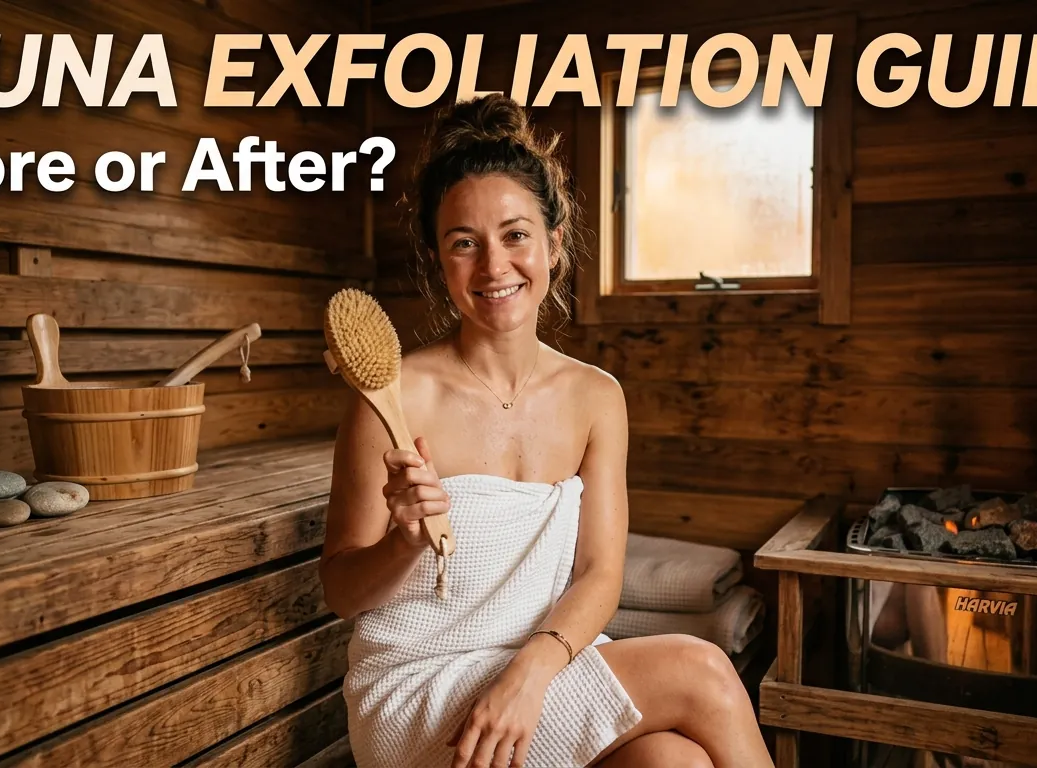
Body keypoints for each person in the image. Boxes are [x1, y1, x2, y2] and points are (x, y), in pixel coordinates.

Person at [319, 93, 774, 768]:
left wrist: (531, 674)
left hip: (537, 671)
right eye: (464, 243)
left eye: (515, 235)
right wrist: (404, 542)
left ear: (553, 244)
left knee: (673, 763)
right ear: (439, 261)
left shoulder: (596, 398)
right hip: (419, 688)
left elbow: (599, 575)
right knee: (701, 670)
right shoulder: (393, 399)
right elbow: (341, 591)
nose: (493, 266)